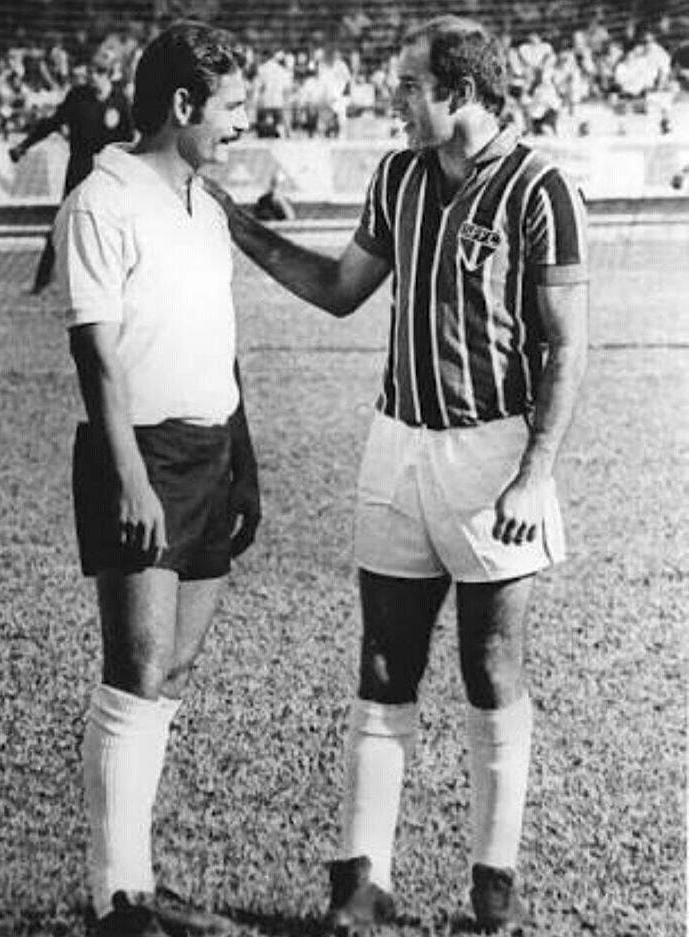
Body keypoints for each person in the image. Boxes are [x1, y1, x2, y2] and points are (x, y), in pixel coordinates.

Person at [203, 14, 588, 933]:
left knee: (489, 667)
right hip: (396, 440)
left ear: (460, 90)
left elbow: (568, 346)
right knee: (383, 661)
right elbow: (342, 290)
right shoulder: (399, 177)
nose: (395, 102)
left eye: (410, 86)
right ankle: (360, 884)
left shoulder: (540, 187)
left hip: (494, 451)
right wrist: (237, 228)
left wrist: (536, 472)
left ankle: (492, 893)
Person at [52, 21, 259, 937]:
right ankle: (115, 898)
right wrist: (131, 478)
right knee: (135, 667)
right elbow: (96, 357)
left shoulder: (206, 207)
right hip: (136, 454)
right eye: (233, 109)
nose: (242, 127)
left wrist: (243, 458)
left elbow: (222, 344)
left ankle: (137, 879)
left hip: (211, 454)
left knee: (171, 667)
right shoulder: (103, 198)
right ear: (182, 106)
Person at [10, 51, 133, 294]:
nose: (91, 78)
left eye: (97, 73)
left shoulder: (119, 102)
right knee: (63, 223)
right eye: (90, 73)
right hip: (80, 167)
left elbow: (128, 140)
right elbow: (52, 123)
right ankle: (41, 283)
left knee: (115, 226)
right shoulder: (78, 97)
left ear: (108, 75)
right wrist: (23, 145)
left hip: (109, 172)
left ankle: (121, 282)